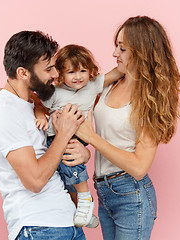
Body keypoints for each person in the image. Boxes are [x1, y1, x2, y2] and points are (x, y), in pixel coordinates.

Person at [75, 16, 180, 240]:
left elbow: (139, 166)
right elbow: (70, 90)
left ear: (142, 51)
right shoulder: (111, 84)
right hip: (103, 191)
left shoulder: (152, 98)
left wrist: (92, 139)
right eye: (117, 46)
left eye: (122, 48)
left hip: (130, 193)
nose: (115, 54)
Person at [0, 31, 90, 240]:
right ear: (23, 73)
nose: (55, 75)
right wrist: (63, 134)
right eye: (48, 69)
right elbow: (35, 181)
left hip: (67, 221)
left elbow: (53, 155)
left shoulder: (32, 104)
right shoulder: (3, 112)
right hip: (39, 227)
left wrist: (83, 154)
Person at [34, 44, 123, 227]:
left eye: (83, 70)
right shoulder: (55, 91)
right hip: (55, 137)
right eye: (71, 72)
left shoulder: (92, 85)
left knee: (69, 159)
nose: (78, 77)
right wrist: (40, 115)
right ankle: (79, 208)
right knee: (62, 178)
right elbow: (38, 103)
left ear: (90, 71)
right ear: (60, 73)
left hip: (77, 136)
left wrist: (136, 58)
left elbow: (116, 73)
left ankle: (85, 198)